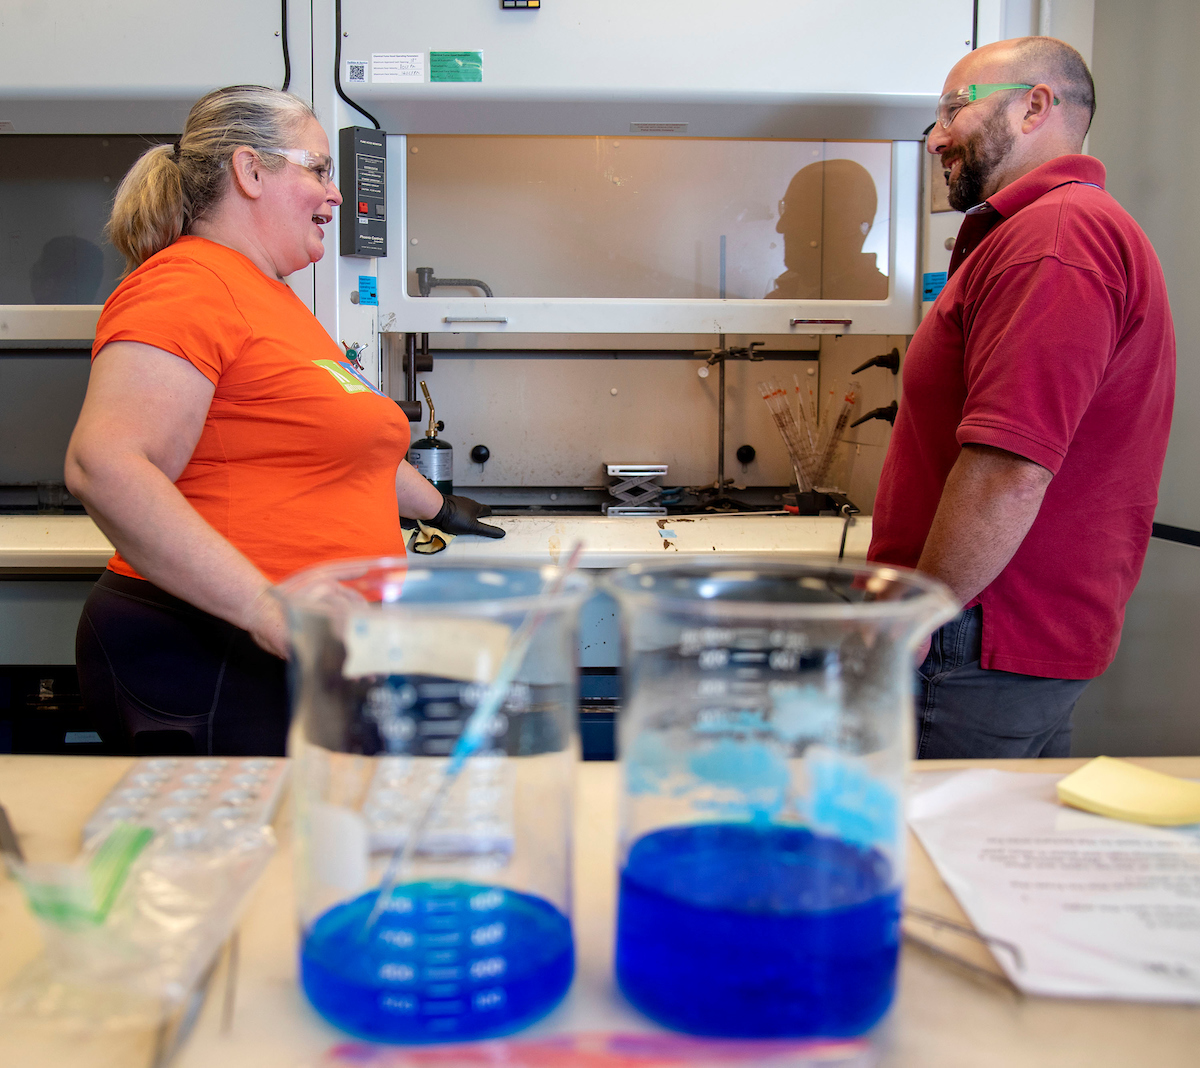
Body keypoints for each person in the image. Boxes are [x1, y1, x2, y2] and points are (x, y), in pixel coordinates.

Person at [65, 85, 504, 758]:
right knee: (264, 856)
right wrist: (271, 612)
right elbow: (108, 465)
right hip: (214, 645)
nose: (335, 195)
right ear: (250, 171)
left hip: (297, 643)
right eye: (320, 169)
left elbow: (343, 450)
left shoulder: (269, 298)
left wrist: (440, 507)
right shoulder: (187, 283)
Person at [869, 38, 1175, 759]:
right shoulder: (1046, 231)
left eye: (954, 109)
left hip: (974, 639)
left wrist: (913, 622)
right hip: (989, 635)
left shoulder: (1055, 240)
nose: (938, 136)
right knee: (983, 856)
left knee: (933, 853)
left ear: (1036, 105)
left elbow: (1010, 469)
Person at [766, 158, 888, 300]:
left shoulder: (884, 301)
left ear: (845, 224)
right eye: (786, 208)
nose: (780, 227)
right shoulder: (776, 299)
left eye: (799, 211)